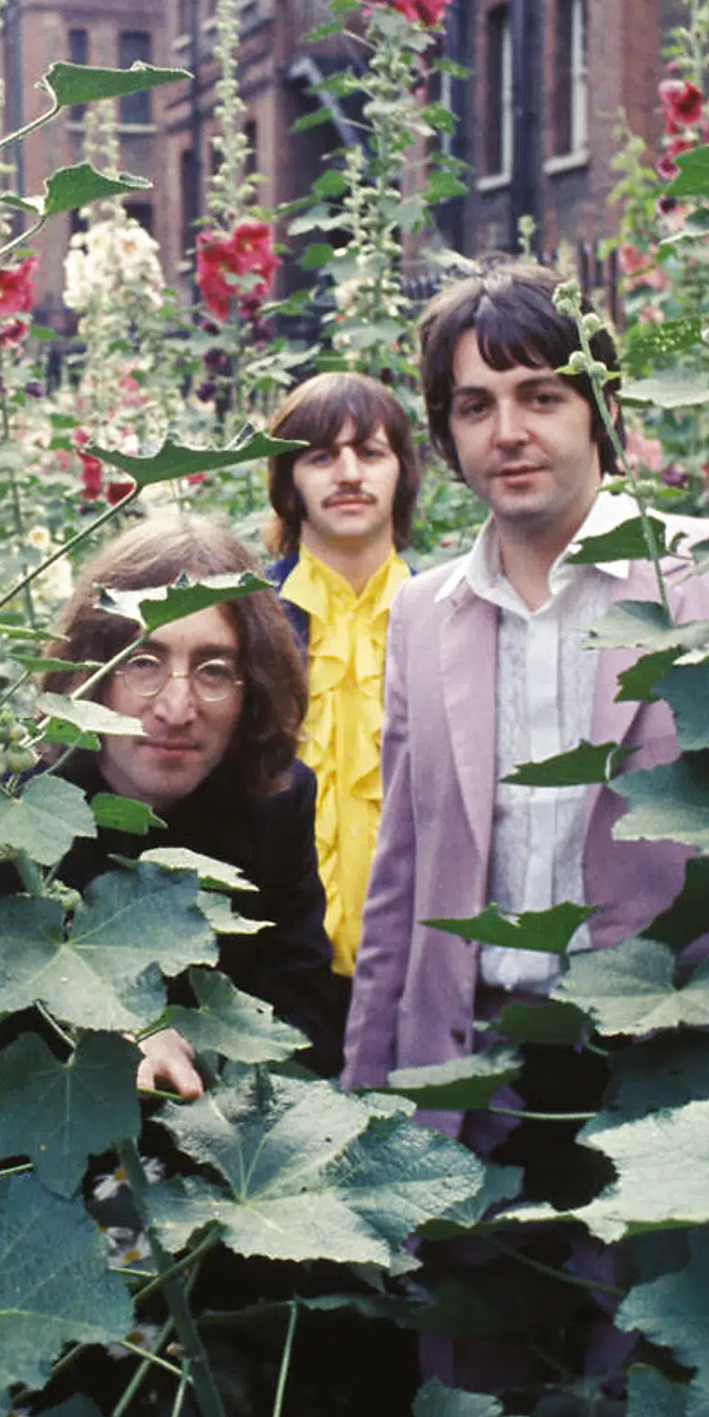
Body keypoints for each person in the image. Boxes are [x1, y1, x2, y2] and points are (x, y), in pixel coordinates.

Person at [341, 263, 709, 1146]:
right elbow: (401, 876)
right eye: (475, 406)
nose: (509, 432)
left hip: (683, 1074)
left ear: (602, 409)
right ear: (446, 433)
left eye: (541, 396)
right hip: (476, 1078)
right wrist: (362, 1106)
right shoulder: (423, 615)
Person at [0, 514, 348, 1170]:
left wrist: (195, 1058)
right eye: (143, 663)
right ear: (88, 670)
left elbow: (304, 1021)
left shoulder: (274, 802)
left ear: (256, 686)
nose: (176, 707)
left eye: (214, 670)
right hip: (21, 1188)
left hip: (211, 1179)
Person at [265, 371, 420, 979]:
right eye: (322, 456)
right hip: (276, 970)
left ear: (403, 472)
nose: (349, 474)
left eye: (371, 452)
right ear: (288, 482)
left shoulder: (454, 617)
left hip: (422, 960)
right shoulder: (247, 622)